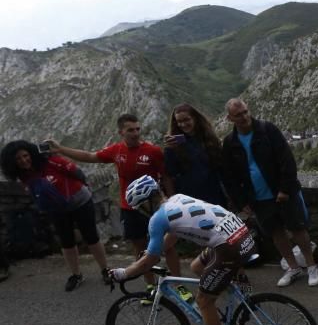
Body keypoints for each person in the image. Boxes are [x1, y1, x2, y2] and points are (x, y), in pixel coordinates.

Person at [108, 176, 256, 325]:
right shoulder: (176, 198)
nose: (141, 212)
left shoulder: (157, 219)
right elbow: (173, 234)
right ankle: (238, 300)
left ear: (148, 202)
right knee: (197, 267)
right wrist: (156, 250)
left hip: (228, 247)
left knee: (203, 301)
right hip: (241, 235)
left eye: (140, 207)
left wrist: (122, 273)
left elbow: (149, 261)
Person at [46, 114, 165, 293]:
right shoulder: (116, 150)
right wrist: (60, 149)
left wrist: (168, 198)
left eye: (137, 129)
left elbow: (167, 176)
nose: (135, 133)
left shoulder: (153, 151)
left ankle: (175, 285)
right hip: (130, 207)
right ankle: (150, 286)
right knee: (140, 248)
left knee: (166, 246)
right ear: (121, 132)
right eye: (130, 130)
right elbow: (90, 156)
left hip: (155, 206)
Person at [221, 99, 318, 287]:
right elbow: (229, 177)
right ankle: (293, 267)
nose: (244, 117)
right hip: (258, 198)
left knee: (297, 229)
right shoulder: (230, 142)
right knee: (276, 233)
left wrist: (284, 189)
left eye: (245, 112)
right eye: (238, 115)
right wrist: (242, 202)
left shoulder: (267, 130)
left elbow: (286, 160)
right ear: (229, 118)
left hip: (282, 194)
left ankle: (312, 266)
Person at [1, 140, 110, 290]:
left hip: (80, 202)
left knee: (91, 237)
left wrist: (76, 192)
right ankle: (76, 275)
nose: (23, 160)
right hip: (56, 210)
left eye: (25, 156)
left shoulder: (51, 161)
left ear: (31, 154)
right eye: (18, 159)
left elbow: (77, 173)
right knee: (66, 242)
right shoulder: (23, 175)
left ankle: (105, 270)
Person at [162, 104, 227, 206]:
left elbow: (221, 167)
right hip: (190, 201)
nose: (183, 124)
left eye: (186, 120)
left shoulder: (208, 139)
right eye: (179, 121)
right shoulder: (173, 147)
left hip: (215, 195)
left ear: (195, 118)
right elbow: (170, 174)